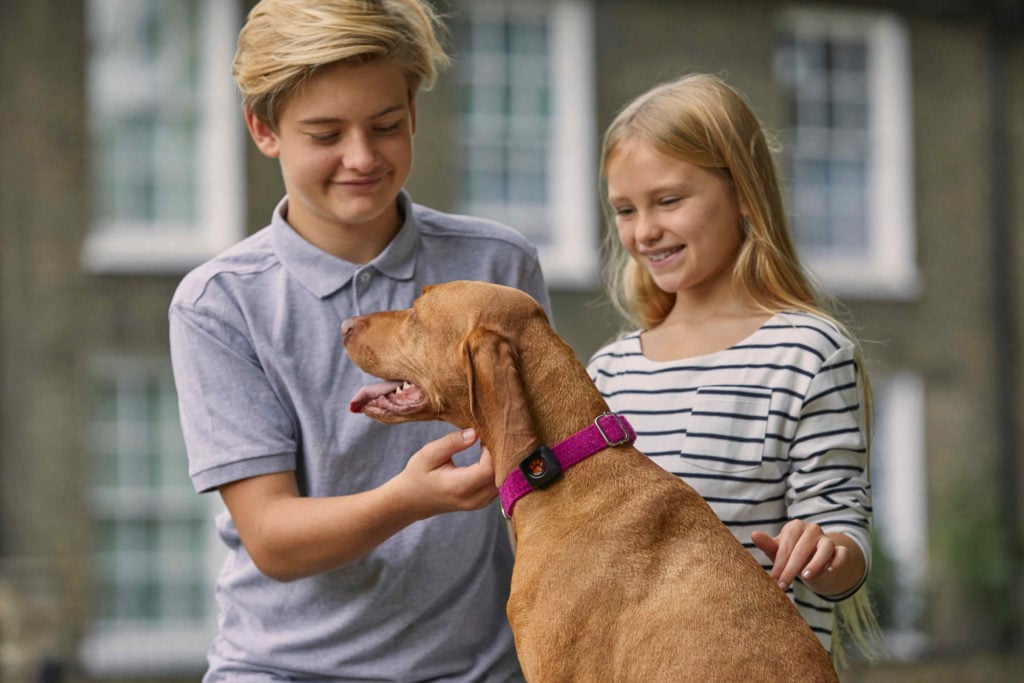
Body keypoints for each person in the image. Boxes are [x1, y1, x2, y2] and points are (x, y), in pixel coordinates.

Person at [168, 1, 548, 680]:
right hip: (281, 669)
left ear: (413, 113)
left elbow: (546, 473)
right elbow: (273, 538)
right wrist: (409, 498)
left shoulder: (499, 267)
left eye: (386, 126)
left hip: (475, 669)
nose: (362, 157)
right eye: (325, 134)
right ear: (265, 129)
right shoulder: (219, 304)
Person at [586, 73, 874, 657]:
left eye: (669, 200)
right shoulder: (608, 373)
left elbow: (844, 536)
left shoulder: (808, 352)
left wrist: (824, 551)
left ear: (743, 193)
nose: (645, 231)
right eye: (625, 209)